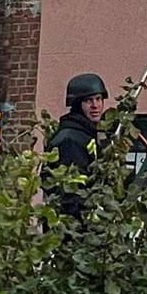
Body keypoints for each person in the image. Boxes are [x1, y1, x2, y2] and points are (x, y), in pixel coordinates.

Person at [44, 73, 108, 219]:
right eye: (88, 100)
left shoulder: (86, 134)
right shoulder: (70, 140)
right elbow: (71, 194)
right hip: (72, 228)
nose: (95, 106)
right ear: (77, 104)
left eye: (98, 99)